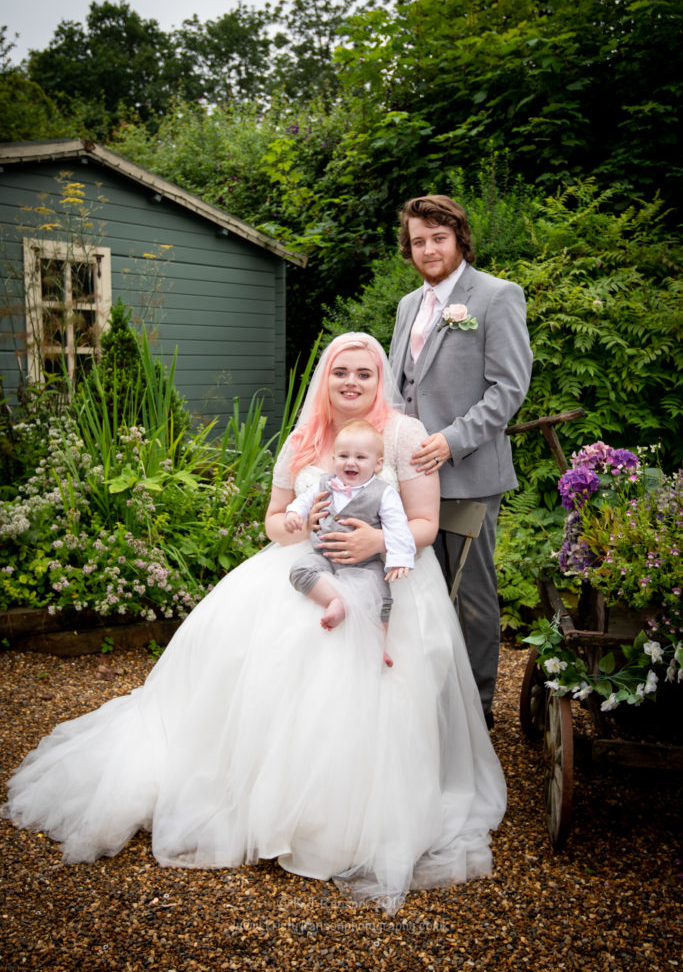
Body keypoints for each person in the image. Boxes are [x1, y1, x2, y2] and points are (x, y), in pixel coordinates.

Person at [2, 332, 506, 915]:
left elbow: (423, 521)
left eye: (363, 373)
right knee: (264, 644)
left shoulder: (404, 435)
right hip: (302, 566)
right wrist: (298, 526)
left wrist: (377, 537)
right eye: (340, 371)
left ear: (379, 379)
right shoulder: (303, 438)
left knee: (355, 662)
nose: (350, 382)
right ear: (325, 378)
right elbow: (272, 521)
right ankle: (253, 792)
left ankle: (340, 811)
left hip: (387, 574)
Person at [389, 195, 533, 729]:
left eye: (438, 238)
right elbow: (399, 386)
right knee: (418, 592)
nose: (428, 249)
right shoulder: (408, 305)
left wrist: (451, 440)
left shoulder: (496, 296)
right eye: (418, 240)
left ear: (460, 240)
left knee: (470, 593)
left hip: (468, 473)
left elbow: (509, 388)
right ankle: (428, 702)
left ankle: (477, 712)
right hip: (409, 478)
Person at [286, 418, 415, 666]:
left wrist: (399, 559)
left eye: (360, 457)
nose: (350, 462)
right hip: (323, 556)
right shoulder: (324, 484)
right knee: (299, 570)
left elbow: (398, 528)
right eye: (343, 455)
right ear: (334, 459)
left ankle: (379, 647)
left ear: (378, 464)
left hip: (365, 563)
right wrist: (294, 514)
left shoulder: (383, 493)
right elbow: (303, 502)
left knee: (381, 596)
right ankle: (337, 600)